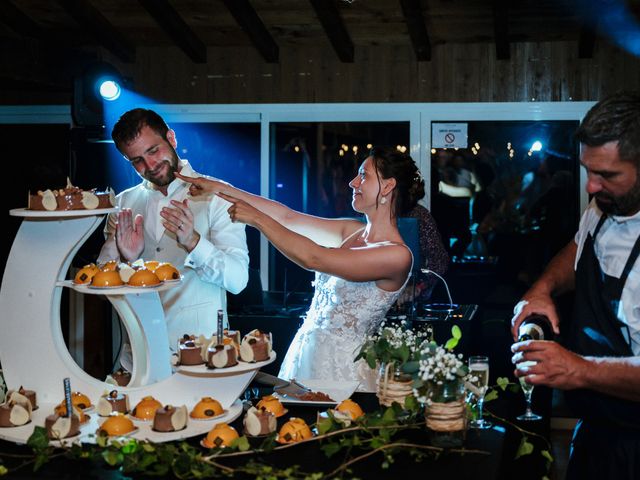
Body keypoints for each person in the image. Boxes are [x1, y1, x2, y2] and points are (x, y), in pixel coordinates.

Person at [178, 146, 424, 391]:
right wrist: (220, 189)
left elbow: (314, 258)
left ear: (388, 186)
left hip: (344, 372)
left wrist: (256, 219)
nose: (352, 182)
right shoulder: (351, 231)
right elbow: (287, 218)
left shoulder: (397, 255)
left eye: (364, 175)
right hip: (304, 357)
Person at [510, 92, 640, 480]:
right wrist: (542, 288)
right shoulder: (605, 206)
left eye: (608, 175)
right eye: (588, 170)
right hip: (597, 433)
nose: (591, 187)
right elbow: (577, 250)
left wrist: (578, 369)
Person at [98, 108, 249, 354]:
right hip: (138, 357)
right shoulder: (122, 204)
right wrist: (127, 260)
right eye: (137, 160)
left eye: (153, 150)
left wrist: (194, 242)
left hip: (203, 358)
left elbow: (238, 280)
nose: (150, 165)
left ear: (171, 138)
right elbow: (103, 292)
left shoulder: (218, 195)